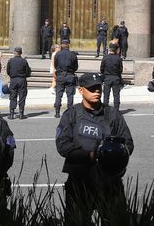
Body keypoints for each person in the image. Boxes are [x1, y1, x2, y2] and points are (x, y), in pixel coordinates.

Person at [55, 72, 134, 218]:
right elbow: (63, 145)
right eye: (92, 88)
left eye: (99, 87)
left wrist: (114, 157)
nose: (96, 91)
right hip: (80, 181)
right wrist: (89, 155)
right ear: (81, 90)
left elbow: (128, 143)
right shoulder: (71, 115)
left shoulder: (113, 114)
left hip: (110, 182)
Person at [53, 38, 79, 118]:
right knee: (70, 95)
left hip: (60, 76)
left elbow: (55, 65)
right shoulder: (72, 54)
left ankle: (57, 112)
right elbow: (76, 67)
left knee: (58, 95)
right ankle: (70, 113)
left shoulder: (58, 54)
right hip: (70, 75)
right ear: (68, 45)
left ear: (61, 45)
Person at [5, 47, 31, 119]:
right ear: (21, 53)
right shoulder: (24, 61)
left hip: (13, 80)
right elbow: (28, 72)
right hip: (22, 80)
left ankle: (11, 114)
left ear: (14, 52)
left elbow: (8, 71)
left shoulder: (10, 61)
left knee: (13, 97)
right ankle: (21, 114)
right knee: (22, 97)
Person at [100, 43, 123, 110]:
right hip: (116, 78)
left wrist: (104, 74)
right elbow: (120, 70)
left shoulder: (105, 57)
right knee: (116, 95)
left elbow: (101, 69)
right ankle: (116, 110)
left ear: (110, 49)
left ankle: (106, 109)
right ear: (116, 50)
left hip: (107, 78)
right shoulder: (118, 58)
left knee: (106, 95)